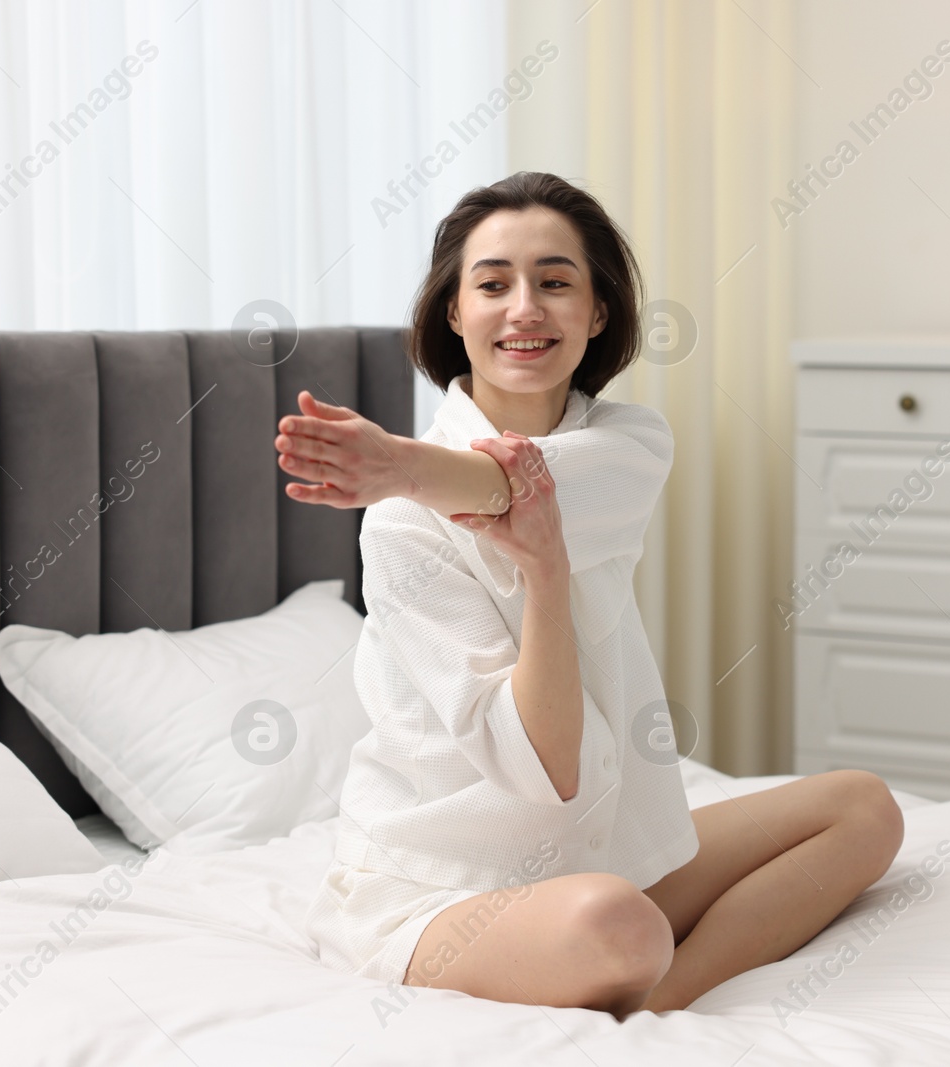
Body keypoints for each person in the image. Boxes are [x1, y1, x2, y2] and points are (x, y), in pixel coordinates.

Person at [275, 171, 903, 1016]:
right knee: (621, 924)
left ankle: (664, 996)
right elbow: (546, 767)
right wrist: (541, 572)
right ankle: (644, 971)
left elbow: (530, 487)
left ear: (597, 312)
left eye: (556, 282)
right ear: (454, 313)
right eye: (493, 283)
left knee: (863, 808)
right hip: (446, 885)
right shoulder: (402, 528)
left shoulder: (628, 444)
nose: (525, 307)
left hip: (599, 848)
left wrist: (401, 464)